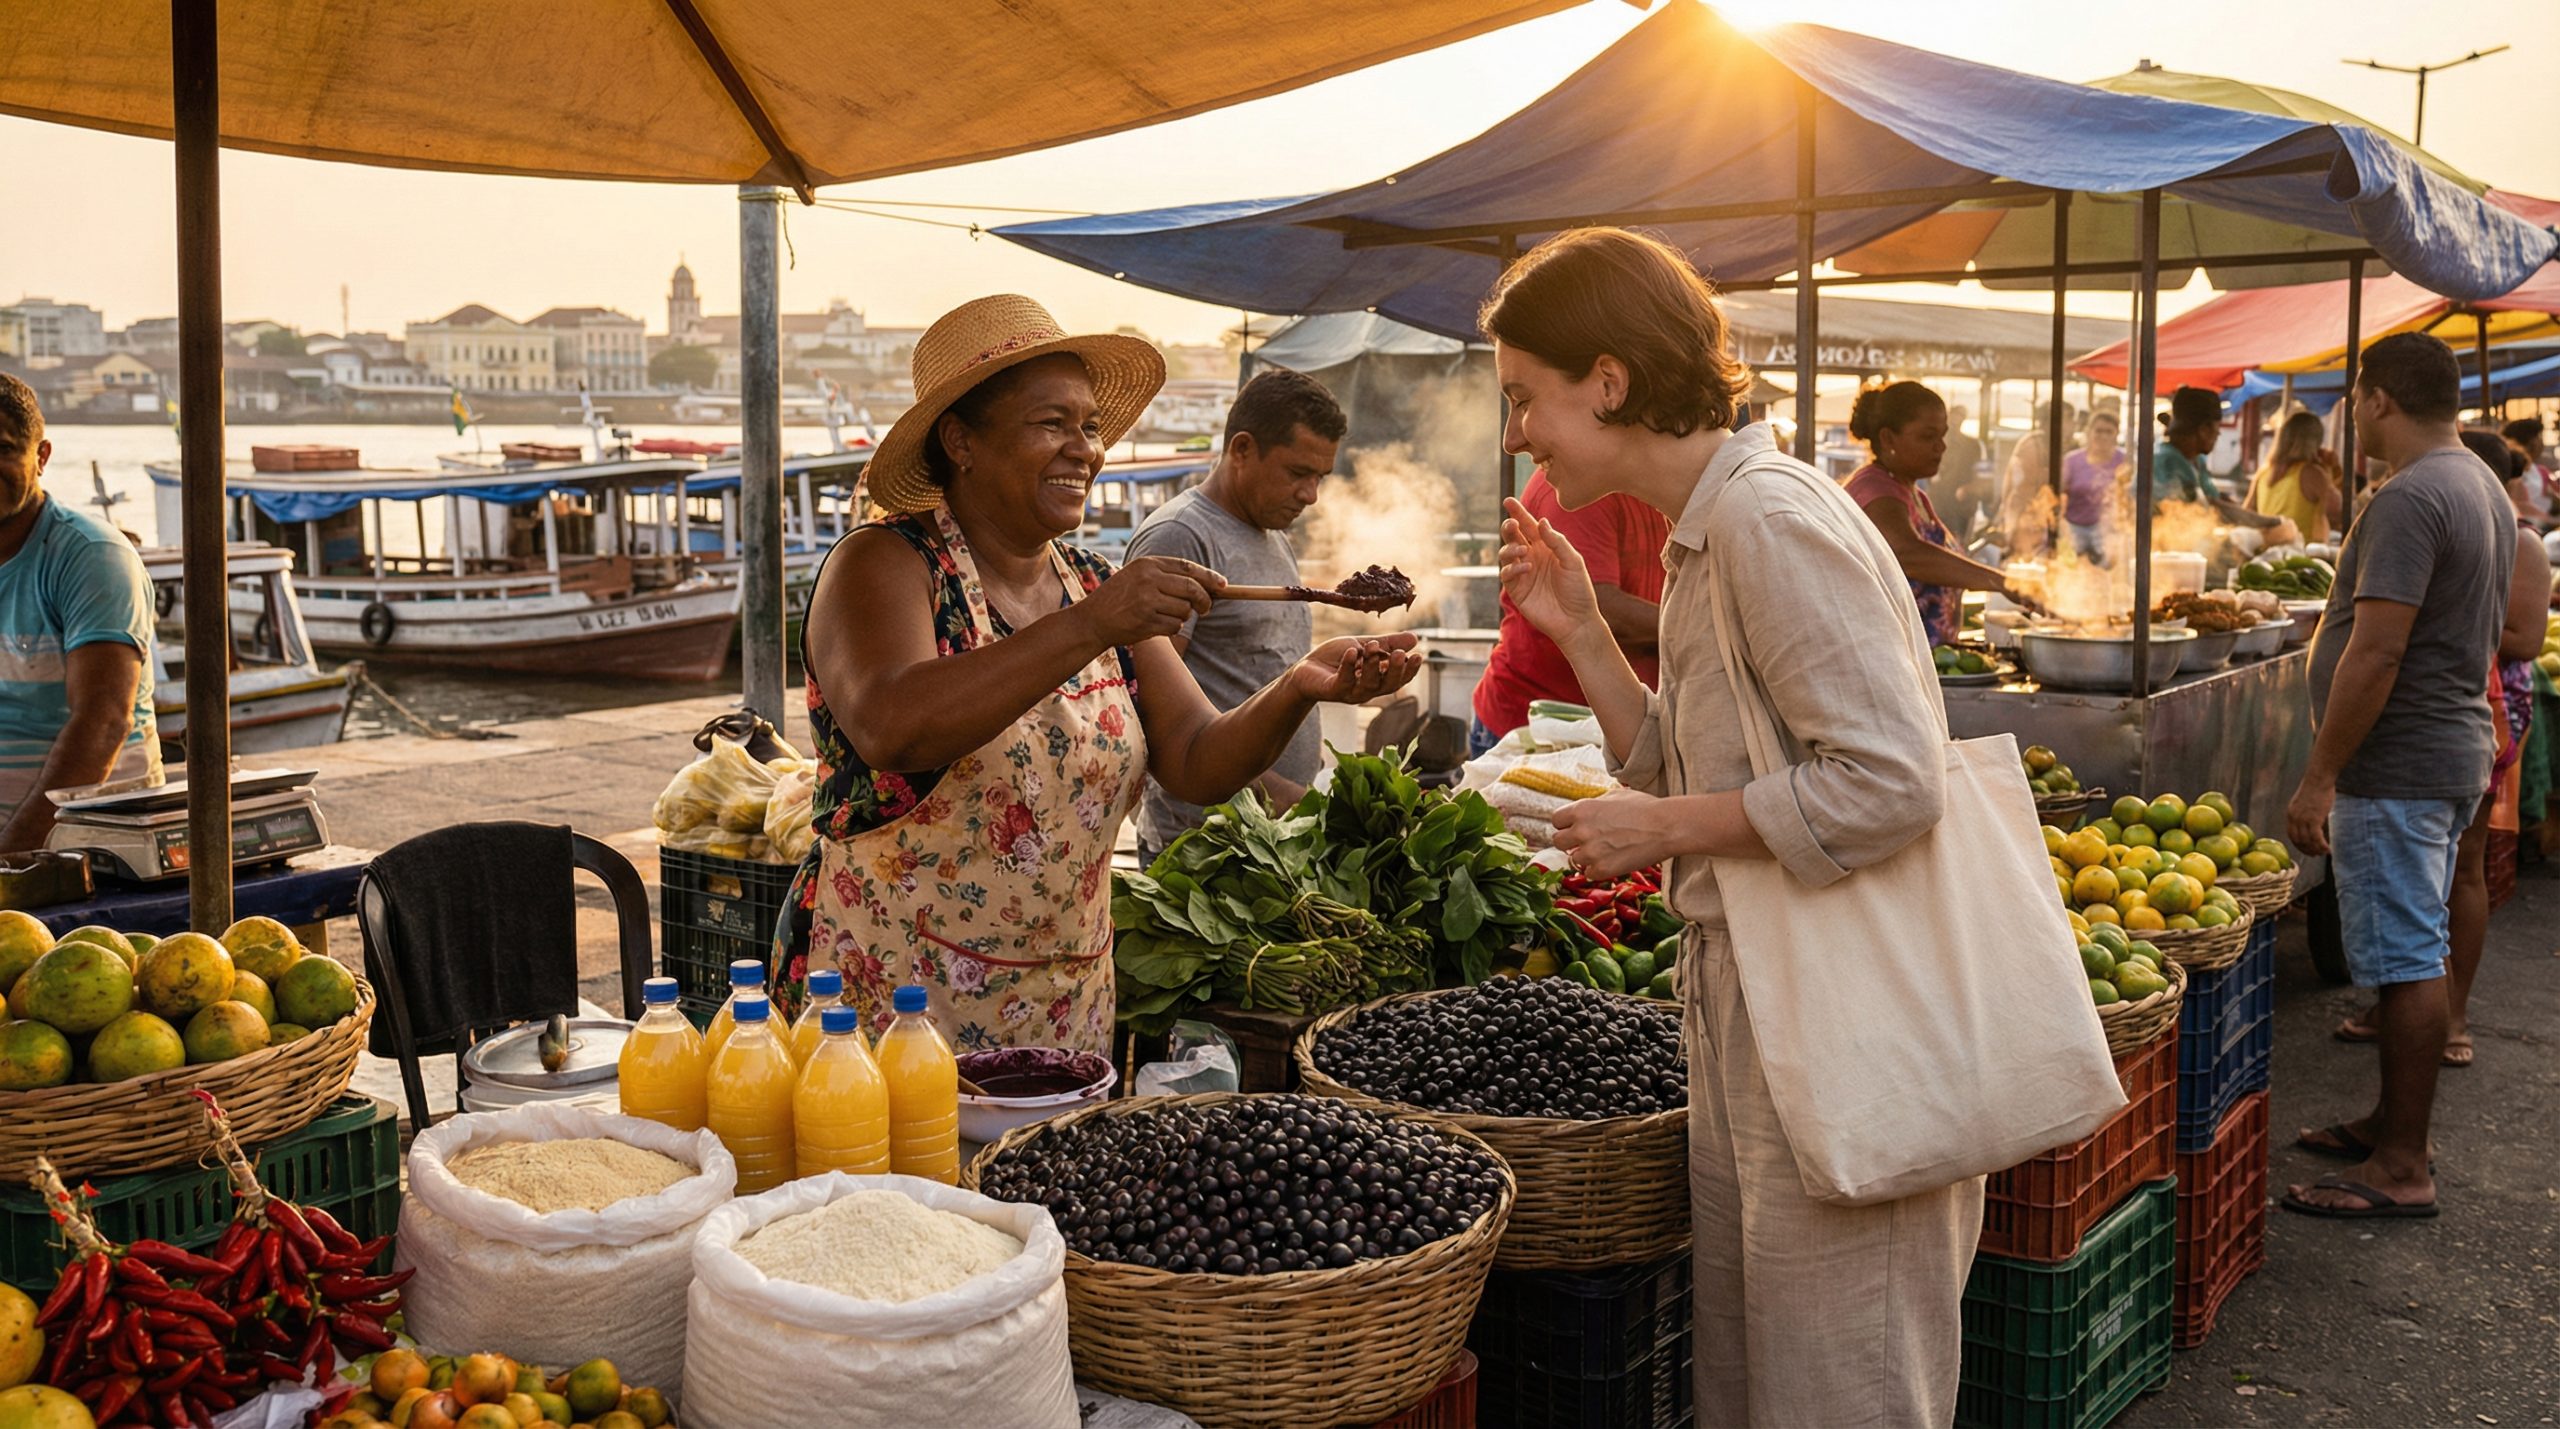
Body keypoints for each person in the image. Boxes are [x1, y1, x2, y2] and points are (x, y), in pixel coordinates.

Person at [1486, 227, 1978, 1422]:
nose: (1517, 436)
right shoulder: (1712, 530)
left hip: (1842, 1016)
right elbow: (1692, 756)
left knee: (1835, 1385)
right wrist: (1582, 631)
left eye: (1524, 398)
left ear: (1607, 380)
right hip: (1765, 996)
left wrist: (1661, 829)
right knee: (1764, 1376)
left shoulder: (1766, 518)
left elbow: (1890, 781)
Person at [776, 295, 1419, 1050]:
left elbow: (1196, 758)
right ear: (960, 441)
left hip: (1064, 1007)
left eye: (1089, 426)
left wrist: (1301, 683)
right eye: (1051, 423)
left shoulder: (1090, 580)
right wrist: (1090, 625)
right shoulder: (885, 562)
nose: (1085, 449)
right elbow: (893, 723)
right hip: (892, 1008)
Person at [2285, 333, 2516, 1220]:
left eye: (2356, 395)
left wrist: (2320, 775)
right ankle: (2390, 1121)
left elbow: (2377, 650)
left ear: (2378, 398)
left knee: (2408, 960)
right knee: (2413, 946)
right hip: (2444, 746)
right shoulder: (2478, 483)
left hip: (2402, 763)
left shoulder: (2415, 496)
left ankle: (2401, 1165)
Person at [2331, 429, 2550, 1070]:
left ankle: (2451, 1016)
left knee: (2460, 873)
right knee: (2421, 900)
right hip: (2455, 717)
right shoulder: (2464, 519)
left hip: (2480, 714)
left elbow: (2525, 638)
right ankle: (2405, 1009)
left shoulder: (2517, 537)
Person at [1126, 368, 1345, 859]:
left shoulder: (1272, 533)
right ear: (1241, 450)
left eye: (1319, 478)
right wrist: (1269, 788)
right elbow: (1147, 705)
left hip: (1267, 833)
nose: (1311, 495)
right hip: (1203, 842)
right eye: (1297, 473)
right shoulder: (1181, 537)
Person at [0, 374, 159, 853]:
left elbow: (104, 720)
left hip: (90, 839)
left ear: (41, 457)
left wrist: (11, 858)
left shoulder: (91, 556)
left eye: (4, 449)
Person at [1469, 466, 1668, 753]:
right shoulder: (1576, 483)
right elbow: (1603, 608)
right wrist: (1699, 626)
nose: (1513, 442)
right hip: (1540, 731)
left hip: (1623, 724)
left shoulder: (1660, 486)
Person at [1842, 380, 2036, 645]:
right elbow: (1907, 552)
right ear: (1888, 438)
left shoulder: (1914, 494)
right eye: (1927, 436)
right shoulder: (1873, 488)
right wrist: (2002, 582)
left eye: (1942, 435)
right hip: (1885, 653)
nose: (1941, 447)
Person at [2155, 386, 2296, 541]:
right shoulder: (2166, 462)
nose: (2217, 436)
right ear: (2203, 430)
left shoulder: (2196, 460)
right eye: (2217, 430)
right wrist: (2269, 522)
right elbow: (2214, 507)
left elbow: (2216, 498)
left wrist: (2253, 517)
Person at [2245, 410, 2344, 546]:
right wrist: (2335, 469)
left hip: (2266, 556)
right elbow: (2340, 511)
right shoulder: (2312, 473)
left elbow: (2246, 515)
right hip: (2300, 558)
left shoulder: (2263, 473)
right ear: (2315, 442)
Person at [2061, 411, 2132, 562]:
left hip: (2108, 529)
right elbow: (2060, 493)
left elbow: (2129, 495)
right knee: (2071, 569)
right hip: (2074, 528)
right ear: (2089, 432)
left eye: (2109, 431)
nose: (2103, 436)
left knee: (2106, 568)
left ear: (2116, 434)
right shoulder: (2072, 461)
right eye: (2098, 431)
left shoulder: (2125, 460)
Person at [1936, 404, 1989, 536]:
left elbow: (1985, 479)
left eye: (1959, 417)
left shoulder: (1974, 446)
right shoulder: (1938, 443)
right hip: (1938, 507)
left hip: (1962, 510)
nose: (1955, 422)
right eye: (1953, 417)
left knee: (1958, 545)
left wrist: (1968, 489)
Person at [2499, 416, 2553, 525]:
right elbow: (2519, 504)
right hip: (2528, 526)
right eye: (2539, 436)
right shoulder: (2513, 467)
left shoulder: (2540, 471)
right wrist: (2551, 520)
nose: (2541, 442)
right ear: (2531, 440)